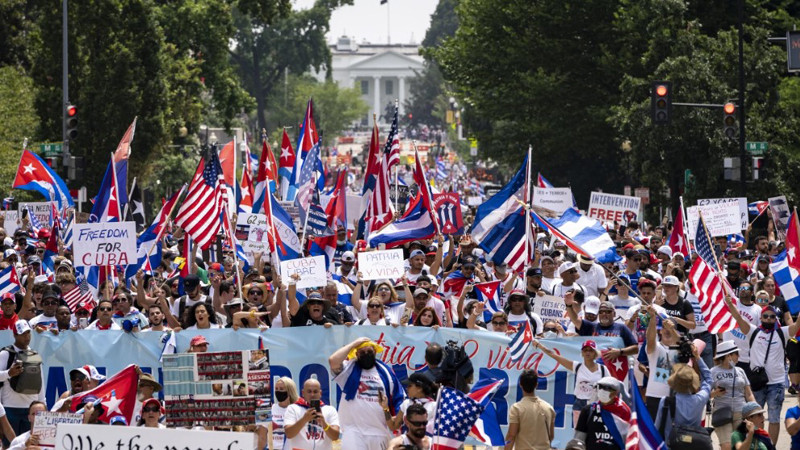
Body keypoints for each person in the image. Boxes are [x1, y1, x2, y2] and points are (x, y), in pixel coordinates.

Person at [725, 295, 800, 444]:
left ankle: (770, 447)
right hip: (757, 382)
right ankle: (757, 446)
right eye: (765, 316)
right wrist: (730, 304)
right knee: (754, 418)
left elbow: (797, 326)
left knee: (773, 418)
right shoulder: (753, 331)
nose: (769, 319)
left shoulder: (782, 332)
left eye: (772, 317)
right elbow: (738, 318)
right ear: (761, 318)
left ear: (775, 319)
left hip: (776, 383)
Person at [329, 338, 405, 450]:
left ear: (375, 352)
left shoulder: (386, 372)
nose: (366, 354)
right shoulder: (349, 368)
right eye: (362, 352)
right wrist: (355, 343)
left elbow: (399, 398)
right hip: (353, 431)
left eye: (369, 352)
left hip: (380, 431)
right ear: (356, 354)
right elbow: (333, 361)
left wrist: (395, 422)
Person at [534, 338, 601, 426]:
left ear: (595, 353)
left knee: (594, 432)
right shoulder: (577, 366)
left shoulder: (603, 369)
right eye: (585, 350)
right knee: (580, 433)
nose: (588, 352)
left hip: (596, 404)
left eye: (591, 350)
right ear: (582, 353)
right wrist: (539, 345)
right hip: (580, 404)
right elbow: (555, 356)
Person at [654, 351, 712, 445]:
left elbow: (657, 427)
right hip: (693, 445)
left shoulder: (666, 401)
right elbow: (709, 379)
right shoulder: (700, 399)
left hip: (671, 445)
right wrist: (698, 358)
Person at [0, 320, 45, 435]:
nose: (27, 337)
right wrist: (8, 374)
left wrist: (42, 404)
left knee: (29, 444)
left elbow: (41, 382)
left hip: (31, 409)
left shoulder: (34, 355)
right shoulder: (6, 354)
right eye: (23, 334)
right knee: (11, 444)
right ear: (15, 335)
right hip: (10, 407)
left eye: (28, 333)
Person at [712, 340, 755, 450]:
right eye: (736, 353)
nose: (739, 356)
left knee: (740, 445)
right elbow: (704, 393)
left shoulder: (740, 371)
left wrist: (755, 410)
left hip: (741, 413)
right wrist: (715, 393)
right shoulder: (713, 371)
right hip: (722, 413)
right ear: (728, 356)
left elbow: (748, 393)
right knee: (726, 445)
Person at [574, 377, 631, 450]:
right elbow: (579, 439)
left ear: (615, 393)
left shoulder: (624, 412)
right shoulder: (588, 410)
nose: (602, 390)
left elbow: (629, 440)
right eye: (600, 387)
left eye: (607, 388)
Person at [283, 378, 340, 450]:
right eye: (309, 391)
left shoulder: (330, 410)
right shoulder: (293, 409)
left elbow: (335, 436)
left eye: (315, 392)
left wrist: (324, 424)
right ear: (303, 393)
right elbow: (289, 434)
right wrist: (304, 419)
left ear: (320, 393)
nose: (312, 395)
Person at [505, 368, 555, 450]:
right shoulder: (549, 408)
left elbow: (511, 436)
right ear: (536, 385)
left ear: (520, 384)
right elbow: (551, 436)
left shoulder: (517, 408)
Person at [271, 377, 299, 450]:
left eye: (281, 389)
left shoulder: (297, 409)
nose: (278, 391)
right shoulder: (271, 408)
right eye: (276, 389)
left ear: (289, 390)